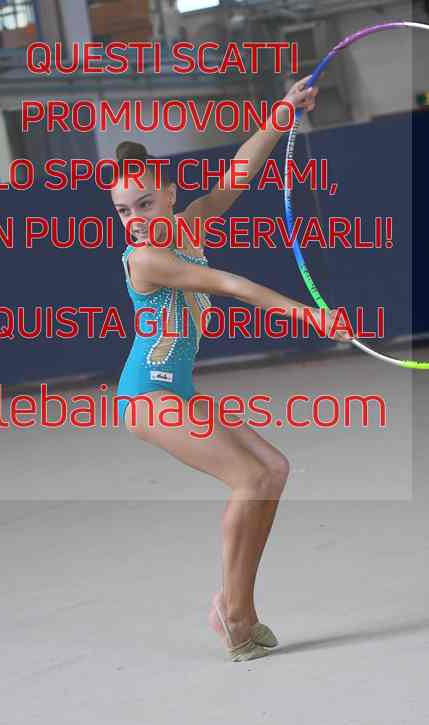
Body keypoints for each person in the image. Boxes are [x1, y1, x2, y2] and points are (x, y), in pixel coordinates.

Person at [110, 77, 351, 661]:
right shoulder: (146, 257)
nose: (135, 219)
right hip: (146, 398)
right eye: (122, 211)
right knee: (248, 479)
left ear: (169, 194)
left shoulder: (188, 225)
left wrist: (283, 112)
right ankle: (236, 615)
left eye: (144, 203)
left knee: (272, 469)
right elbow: (232, 284)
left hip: (178, 391)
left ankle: (235, 604)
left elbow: (236, 176)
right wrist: (311, 316)